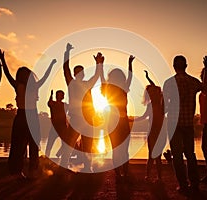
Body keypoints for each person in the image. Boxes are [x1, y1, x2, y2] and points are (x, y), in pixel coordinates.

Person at [0, 48, 56, 179]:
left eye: (26, 74)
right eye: (23, 74)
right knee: (19, 145)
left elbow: (45, 76)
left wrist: (51, 65)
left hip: (31, 116)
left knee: (33, 145)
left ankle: (32, 170)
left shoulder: (33, 86)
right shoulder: (18, 85)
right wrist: (3, 60)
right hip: (24, 116)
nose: (25, 76)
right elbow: (7, 74)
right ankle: (18, 171)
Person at [59, 43, 102, 173]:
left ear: (83, 74)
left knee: (88, 144)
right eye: (77, 72)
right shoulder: (71, 83)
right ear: (75, 74)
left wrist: (98, 64)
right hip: (77, 118)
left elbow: (96, 76)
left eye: (81, 72)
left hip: (88, 118)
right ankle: (64, 166)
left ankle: (87, 167)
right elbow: (65, 69)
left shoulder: (87, 84)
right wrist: (66, 53)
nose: (80, 73)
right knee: (69, 143)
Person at [163, 55, 201, 193]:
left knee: (177, 156)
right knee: (190, 154)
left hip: (174, 124)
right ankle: (195, 183)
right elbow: (205, 87)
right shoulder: (194, 82)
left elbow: (165, 107)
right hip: (188, 124)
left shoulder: (169, 83)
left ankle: (183, 185)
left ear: (174, 66)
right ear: (186, 66)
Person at [101, 54, 134, 182]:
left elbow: (102, 78)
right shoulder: (120, 89)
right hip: (121, 122)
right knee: (123, 150)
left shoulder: (108, 88)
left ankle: (119, 174)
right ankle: (123, 173)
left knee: (117, 149)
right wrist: (130, 64)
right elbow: (130, 76)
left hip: (113, 122)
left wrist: (100, 65)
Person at [133, 71, 164, 183]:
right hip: (151, 131)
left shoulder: (161, 103)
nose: (151, 94)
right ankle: (148, 175)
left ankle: (159, 177)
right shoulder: (150, 105)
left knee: (158, 156)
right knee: (151, 155)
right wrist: (133, 120)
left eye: (152, 92)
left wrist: (148, 78)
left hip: (160, 131)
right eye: (149, 93)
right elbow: (144, 116)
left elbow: (157, 87)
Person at [45, 89, 68, 158]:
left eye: (62, 96)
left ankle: (60, 154)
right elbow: (49, 103)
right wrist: (51, 96)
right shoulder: (53, 104)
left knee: (66, 144)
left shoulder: (64, 105)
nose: (61, 97)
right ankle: (46, 157)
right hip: (55, 127)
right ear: (56, 96)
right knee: (50, 143)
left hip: (63, 127)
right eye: (59, 95)